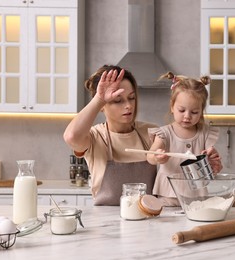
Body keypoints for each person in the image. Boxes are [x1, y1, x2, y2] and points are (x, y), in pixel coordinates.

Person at [63, 65, 158, 206]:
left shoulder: (151, 132)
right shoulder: (94, 137)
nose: (129, 106)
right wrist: (99, 99)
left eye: (131, 98)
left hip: (147, 216)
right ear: (102, 105)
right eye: (118, 100)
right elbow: (71, 136)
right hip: (106, 220)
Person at [147, 72, 223, 206]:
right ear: (172, 107)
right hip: (168, 197)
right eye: (182, 110)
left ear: (201, 111)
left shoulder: (205, 133)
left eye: (194, 112)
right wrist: (157, 157)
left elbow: (212, 159)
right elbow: (150, 156)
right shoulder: (165, 133)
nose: (187, 116)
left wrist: (213, 161)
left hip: (197, 198)